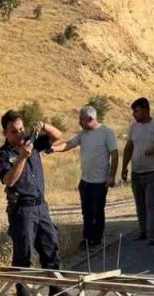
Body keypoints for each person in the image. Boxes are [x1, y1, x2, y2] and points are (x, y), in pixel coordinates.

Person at [0, 110, 66, 296]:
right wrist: (22, 158)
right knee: (23, 253)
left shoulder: (31, 142)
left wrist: (43, 125)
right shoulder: (2, 155)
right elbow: (9, 180)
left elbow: (58, 136)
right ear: (5, 134)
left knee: (50, 247)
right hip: (22, 210)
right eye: (14, 132)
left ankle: (56, 290)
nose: (19, 134)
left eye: (21, 129)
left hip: (41, 206)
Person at [50, 105, 119, 248]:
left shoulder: (106, 133)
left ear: (90, 119)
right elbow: (69, 145)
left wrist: (111, 175)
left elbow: (114, 154)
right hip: (85, 181)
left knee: (97, 211)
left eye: (81, 119)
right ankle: (87, 239)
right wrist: (52, 149)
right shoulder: (83, 134)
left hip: (99, 182)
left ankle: (96, 239)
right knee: (86, 212)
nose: (79, 122)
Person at [121, 97, 154, 245]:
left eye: (136, 111)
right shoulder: (134, 128)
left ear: (145, 110)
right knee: (140, 204)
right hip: (137, 173)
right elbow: (129, 148)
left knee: (150, 203)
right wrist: (124, 167)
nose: (134, 114)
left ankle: (151, 235)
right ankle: (142, 231)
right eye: (133, 111)